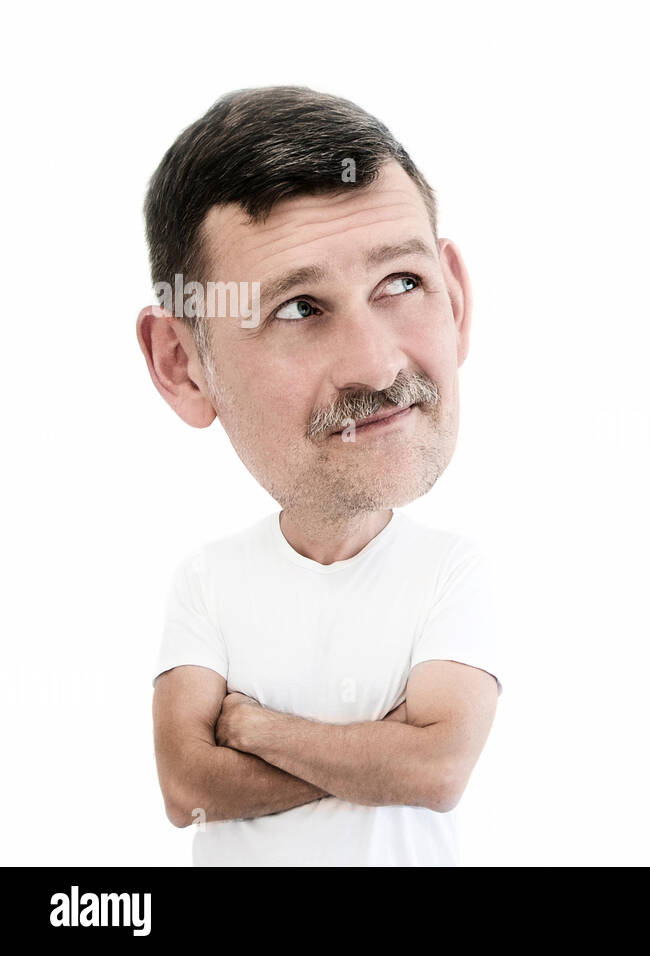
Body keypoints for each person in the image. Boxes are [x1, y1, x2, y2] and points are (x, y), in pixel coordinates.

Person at [135, 86, 504, 866]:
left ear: (457, 298)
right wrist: (373, 755)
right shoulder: (205, 580)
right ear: (182, 365)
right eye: (300, 308)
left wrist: (254, 728)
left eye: (401, 282)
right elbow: (186, 786)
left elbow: (434, 769)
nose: (376, 364)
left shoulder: (454, 572)